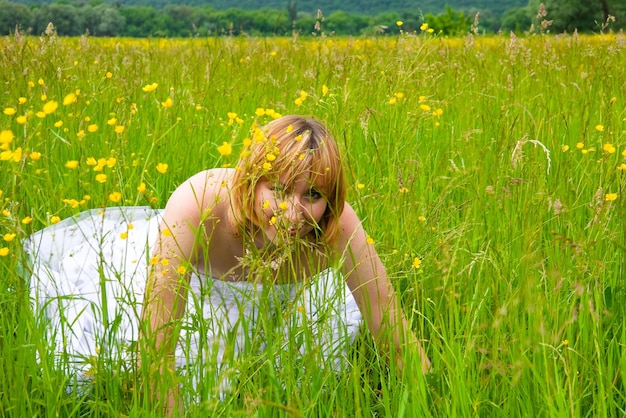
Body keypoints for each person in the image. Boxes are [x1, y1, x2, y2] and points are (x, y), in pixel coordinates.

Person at [27, 115, 430, 412]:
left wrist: (433, 400)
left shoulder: (339, 226)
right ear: (252, 179)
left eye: (312, 195)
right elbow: (156, 349)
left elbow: (393, 332)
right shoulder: (199, 201)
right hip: (186, 302)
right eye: (280, 189)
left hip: (289, 309)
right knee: (106, 367)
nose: (292, 213)